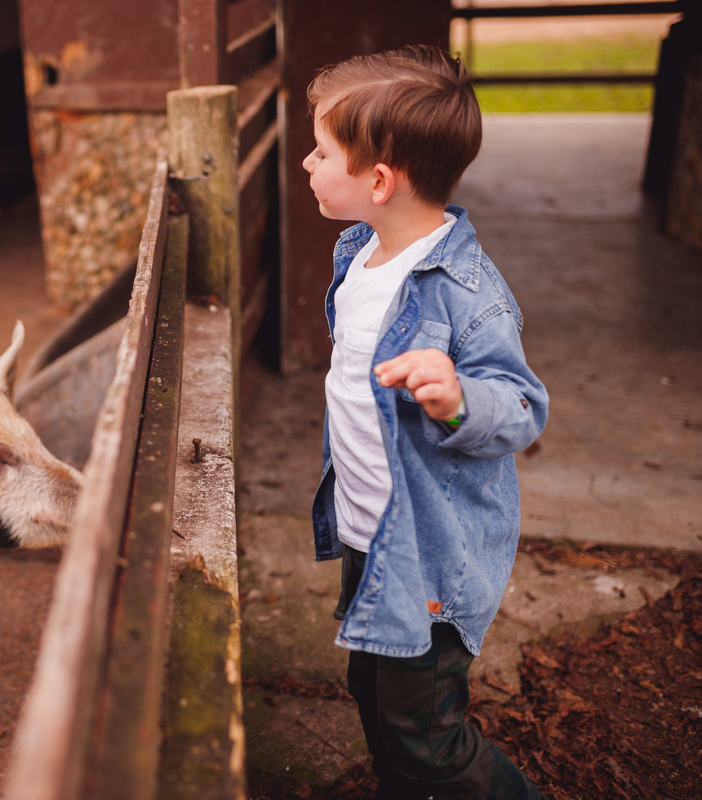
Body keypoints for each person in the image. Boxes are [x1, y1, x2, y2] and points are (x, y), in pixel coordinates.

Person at [303, 45, 549, 799]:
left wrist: (458, 398)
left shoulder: (468, 294)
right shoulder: (362, 252)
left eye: (321, 151)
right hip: (369, 533)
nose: (308, 163)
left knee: (427, 737)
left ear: (379, 181)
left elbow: (522, 407)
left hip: (428, 558)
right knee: (374, 695)